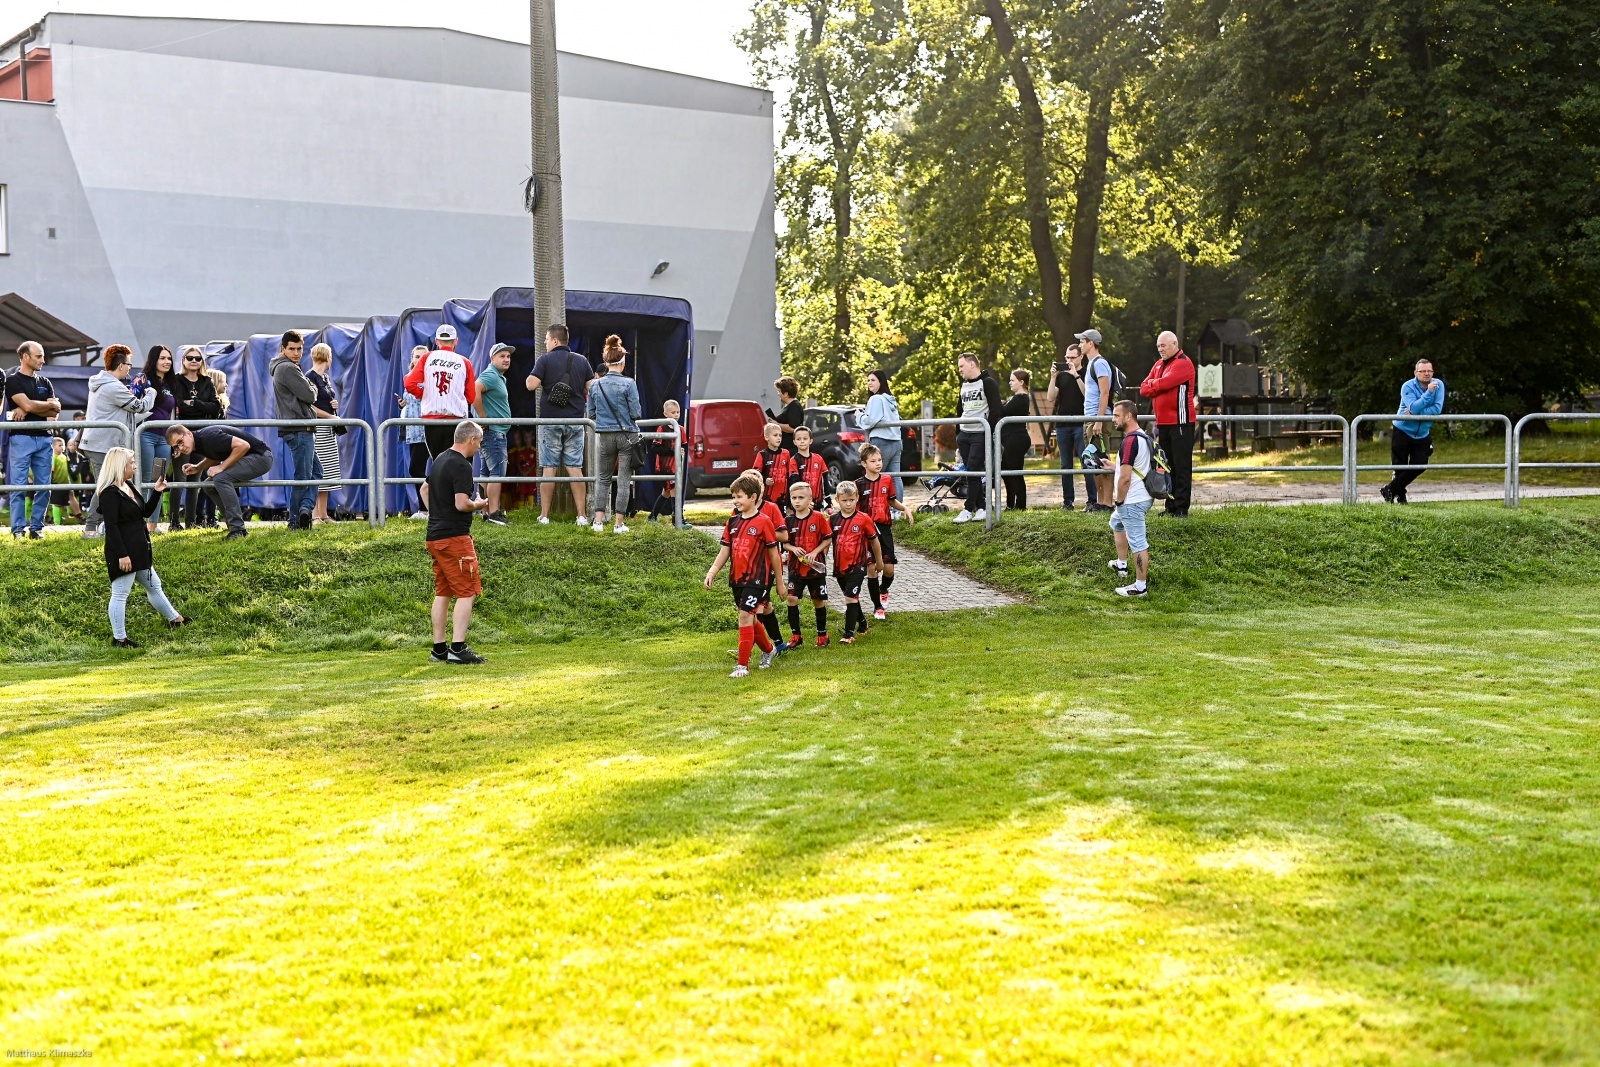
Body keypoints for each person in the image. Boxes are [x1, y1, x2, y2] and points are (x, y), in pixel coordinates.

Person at [92, 445, 188, 647]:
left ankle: (175, 619)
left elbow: (143, 513)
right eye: (131, 463)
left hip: (139, 548)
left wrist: (156, 492)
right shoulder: (110, 493)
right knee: (120, 593)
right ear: (119, 466)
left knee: (154, 586)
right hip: (124, 550)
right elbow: (112, 527)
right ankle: (120, 638)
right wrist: (122, 555)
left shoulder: (128, 486)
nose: (135, 466)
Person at [704, 470, 786, 678]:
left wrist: (780, 582)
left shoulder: (764, 521)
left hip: (758, 579)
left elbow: (774, 554)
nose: (735, 500)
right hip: (737, 579)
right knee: (751, 619)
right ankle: (769, 650)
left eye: (739, 496)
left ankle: (742, 665)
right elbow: (725, 550)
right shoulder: (733, 522)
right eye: (733, 496)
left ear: (753, 497)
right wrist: (712, 571)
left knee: (744, 616)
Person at [425, 419, 490, 665]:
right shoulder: (462, 465)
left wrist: (437, 513)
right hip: (455, 537)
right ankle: (458, 648)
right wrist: (480, 504)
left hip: (435, 535)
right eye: (479, 442)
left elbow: (424, 489)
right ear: (471, 439)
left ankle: (439, 648)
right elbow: (462, 504)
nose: (479, 447)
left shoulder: (441, 458)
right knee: (468, 591)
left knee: (443, 591)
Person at [81, 345, 156, 540]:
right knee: (105, 486)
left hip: (101, 443)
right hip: (103, 445)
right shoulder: (113, 387)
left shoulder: (104, 383)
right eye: (129, 364)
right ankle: (90, 528)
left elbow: (126, 415)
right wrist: (151, 392)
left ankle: (104, 525)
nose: (130, 368)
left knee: (109, 485)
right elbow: (139, 406)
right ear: (121, 365)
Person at [525, 322, 592, 525]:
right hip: (575, 421)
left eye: (546, 339)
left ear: (555, 340)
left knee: (549, 468)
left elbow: (531, 385)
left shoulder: (544, 360)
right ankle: (581, 515)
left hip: (551, 420)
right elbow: (590, 387)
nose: (545, 343)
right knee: (575, 467)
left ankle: (545, 515)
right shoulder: (582, 361)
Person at [168, 423, 274, 540]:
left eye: (180, 442)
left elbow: (243, 446)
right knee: (209, 485)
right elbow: (215, 454)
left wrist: (221, 468)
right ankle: (233, 524)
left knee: (221, 479)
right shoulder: (200, 441)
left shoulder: (208, 437)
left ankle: (238, 529)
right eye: (176, 447)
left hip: (261, 457)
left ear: (188, 434)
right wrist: (198, 467)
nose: (180, 448)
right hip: (252, 457)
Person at [6, 340, 62, 539]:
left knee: (44, 487)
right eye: (39, 356)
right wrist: (44, 405)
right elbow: (38, 407)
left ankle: (36, 528)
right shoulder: (12, 380)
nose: (43, 360)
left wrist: (30, 406)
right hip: (21, 438)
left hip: (45, 439)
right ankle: (18, 530)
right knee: (18, 486)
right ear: (25, 357)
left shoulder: (45, 382)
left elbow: (55, 413)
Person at [586, 335, 642, 533]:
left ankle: (598, 522)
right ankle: (619, 523)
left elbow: (591, 413)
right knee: (624, 479)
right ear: (623, 361)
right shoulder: (629, 383)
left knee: (603, 478)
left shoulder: (596, 385)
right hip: (626, 435)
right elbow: (636, 413)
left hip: (604, 435)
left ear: (606, 361)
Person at [269, 331, 324, 531]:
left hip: (299, 427)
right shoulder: (287, 368)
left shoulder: (286, 367)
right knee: (303, 475)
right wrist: (312, 387)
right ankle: (295, 521)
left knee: (316, 472)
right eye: (291, 348)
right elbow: (310, 395)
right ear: (282, 349)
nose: (296, 352)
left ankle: (305, 510)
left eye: (299, 348)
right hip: (299, 427)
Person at [1139, 331, 1197, 517]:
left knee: (1181, 467)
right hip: (1163, 424)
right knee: (1167, 466)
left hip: (1181, 423)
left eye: (1163, 345)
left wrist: (1156, 384)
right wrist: (1156, 384)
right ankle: (1170, 507)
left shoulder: (1183, 363)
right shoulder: (1158, 365)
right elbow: (1144, 388)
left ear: (1174, 344)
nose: (1160, 349)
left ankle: (1181, 509)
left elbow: (1160, 385)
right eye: (1158, 346)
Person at [856, 443, 913, 620]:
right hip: (866, 531)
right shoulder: (858, 484)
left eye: (879, 460)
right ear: (864, 463)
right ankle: (878, 607)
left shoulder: (887, 480)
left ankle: (884, 589)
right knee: (871, 569)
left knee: (888, 569)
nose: (878, 463)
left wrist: (905, 508)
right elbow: (855, 510)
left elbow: (891, 501)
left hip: (884, 528)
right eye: (873, 461)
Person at [171, 346, 223, 530]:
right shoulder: (176, 381)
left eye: (198, 358)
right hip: (181, 434)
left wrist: (193, 402)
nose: (194, 361)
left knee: (196, 480)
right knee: (180, 479)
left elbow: (215, 407)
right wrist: (202, 406)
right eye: (190, 358)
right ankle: (174, 523)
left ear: (202, 362)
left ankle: (191, 523)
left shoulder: (207, 381)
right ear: (183, 360)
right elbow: (179, 406)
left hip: (201, 435)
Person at [1106, 400, 1155, 597]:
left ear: (1128, 416)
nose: (1113, 419)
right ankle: (1122, 565)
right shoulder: (1143, 437)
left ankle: (1140, 586)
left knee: (1138, 542)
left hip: (1132, 500)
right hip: (1143, 495)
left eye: (1116, 415)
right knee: (1116, 522)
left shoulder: (1129, 442)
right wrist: (1113, 466)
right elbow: (1135, 467)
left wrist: (1119, 501)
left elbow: (1125, 478)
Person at [1381, 359, 1446, 505]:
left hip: (1423, 433)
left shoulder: (1438, 385)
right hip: (1402, 429)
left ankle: (1389, 489)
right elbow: (1414, 407)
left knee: (1420, 464)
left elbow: (1437, 409)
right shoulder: (1407, 386)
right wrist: (1428, 394)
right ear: (1416, 373)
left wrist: (1418, 409)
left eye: (1430, 370)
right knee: (1400, 466)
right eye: (1423, 371)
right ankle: (1400, 498)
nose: (1427, 373)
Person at [130, 345, 179, 533]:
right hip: (145, 435)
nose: (167, 362)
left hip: (164, 438)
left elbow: (172, 413)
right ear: (153, 360)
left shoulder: (170, 383)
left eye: (169, 358)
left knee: (158, 481)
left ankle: (153, 524)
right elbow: (131, 404)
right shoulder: (142, 379)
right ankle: (137, 522)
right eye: (162, 358)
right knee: (142, 481)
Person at [826, 481, 882, 643]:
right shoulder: (833, 520)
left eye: (851, 500)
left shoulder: (864, 519)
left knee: (850, 597)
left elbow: (874, 542)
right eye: (844, 500)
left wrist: (879, 562)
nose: (848, 503)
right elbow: (827, 542)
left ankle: (849, 634)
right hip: (839, 567)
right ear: (837, 500)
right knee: (851, 596)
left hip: (858, 566)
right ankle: (862, 623)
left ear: (857, 498)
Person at [783, 480, 833, 648]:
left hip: (815, 569)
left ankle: (822, 634)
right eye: (794, 498)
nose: (797, 501)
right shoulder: (788, 521)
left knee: (818, 600)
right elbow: (784, 543)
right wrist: (793, 548)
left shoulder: (818, 517)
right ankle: (796, 636)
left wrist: (814, 552)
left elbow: (828, 539)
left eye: (801, 497)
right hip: (795, 569)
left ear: (810, 498)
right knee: (791, 599)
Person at [952, 352, 1001, 524]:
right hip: (964, 434)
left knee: (973, 469)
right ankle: (982, 507)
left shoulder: (987, 383)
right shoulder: (964, 385)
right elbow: (959, 410)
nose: (960, 370)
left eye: (962, 366)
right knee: (970, 472)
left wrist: (988, 430)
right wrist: (958, 433)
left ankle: (967, 509)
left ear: (972, 364)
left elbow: (996, 409)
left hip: (980, 434)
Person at [1071, 329, 1116, 512]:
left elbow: (1105, 392)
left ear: (1091, 343)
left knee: (1103, 460)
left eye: (1082, 342)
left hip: (1098, 419)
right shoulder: (1091, 364)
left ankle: (1107, 503)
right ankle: (1100, 501)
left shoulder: (1100, 363)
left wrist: (1098, 420)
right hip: (1090, 418)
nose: (1080, 345)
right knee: (1094, 461)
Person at [473, 342, 515, 526]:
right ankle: (494, 513)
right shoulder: (490, 374)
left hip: (493, 432)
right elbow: (474, 389)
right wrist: (483, 418)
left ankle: (484, 511)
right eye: (502, 356)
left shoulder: (497, 377)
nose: (506, 359)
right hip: (494, 432)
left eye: (508, 356)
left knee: (486, 472)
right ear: (492, 359)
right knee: (497, 472)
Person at [1044, 343, 1089, 510]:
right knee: (1065, 464)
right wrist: (1053, 377)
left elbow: (1087, 394)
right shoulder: (1061, 376)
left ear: (1080, 357)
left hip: (1081, 424)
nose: (1069, 360)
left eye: (1072, 358)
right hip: (1062, 424)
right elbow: (1050, 398)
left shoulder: (1085, 373)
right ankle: (1067, 502)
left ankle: (1091, 501)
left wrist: (1076, 375)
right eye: (1067, 358)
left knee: (1086, 462)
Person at [305, 343, 343, 525]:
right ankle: (315, 515)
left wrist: (334, 405)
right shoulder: (310, 377)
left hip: (328, 429)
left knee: (327, 470)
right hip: (318, 428)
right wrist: (329, 416)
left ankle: (323, 513)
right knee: (318, 469)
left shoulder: (325, 378)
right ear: (328, 358)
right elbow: (309, 406)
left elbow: (324, 400)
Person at [859, 369, 904, 497]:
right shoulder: (890, 400)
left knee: (874, 475)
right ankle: (897, 509)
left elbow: (870, 420)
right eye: (868, 380)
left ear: (881, 382)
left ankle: (875, 506)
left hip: (881, 440)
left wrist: (859, 416)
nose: (869, 383)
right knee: (895, 477)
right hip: (896, 441)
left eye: (873, 380)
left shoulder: (876, 399)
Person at [398, 345, 430, 518]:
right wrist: (402, 404)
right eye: (416, 356)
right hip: (412, 430)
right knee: (416, 469)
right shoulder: (409, 376)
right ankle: (423, 509)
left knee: (416, 469)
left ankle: (426, 508)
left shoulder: (429, 377)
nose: (418, 359)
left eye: (422, 356)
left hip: (426, 430)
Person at [999, 368, 1033, 511]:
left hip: (1016, 439)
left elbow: (1003, 411)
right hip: (1010, 439)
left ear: (1021, 382)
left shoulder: (1021, 397)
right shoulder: (1015, 398)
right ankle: (1010, 503)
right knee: (1006, 470)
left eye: (1013, 380)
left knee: (1015, 472)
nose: (1010, 383)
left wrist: (999, 404)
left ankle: (1020, 505)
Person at [647, 398, 681, 523]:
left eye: (678, 412)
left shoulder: (680, 429)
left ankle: (653, 516)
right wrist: (672, 451)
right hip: (664, 466)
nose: (676, 415)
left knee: (666, 492)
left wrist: (681, 451)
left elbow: (683, 445)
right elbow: (656, 448)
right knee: (673, 489)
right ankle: (677, 519)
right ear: (665, 414)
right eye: (673, 412)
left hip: (675, 466)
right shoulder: (661, 428)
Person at [754, 422, 793, 514]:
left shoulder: (786, 453)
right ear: (767, 437)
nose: (778, 438)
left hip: (783, 497)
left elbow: (789, 473)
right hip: (767, 497)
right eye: (775, 435)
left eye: (780, 435)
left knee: (782, 522)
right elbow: (755, 474)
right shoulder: (762, 455)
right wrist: (765, 480)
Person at [790, 424, 828, 505]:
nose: (802, 441)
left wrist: (828, 501)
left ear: (810, 441)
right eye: (799, 439)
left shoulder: (819, 458)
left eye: (805, 438)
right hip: (803, 504)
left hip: (818, 502)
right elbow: (795, 484)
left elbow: (825, 480)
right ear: (794, 442)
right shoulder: (793, 460)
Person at [765, 376, 804, 453]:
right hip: (785, 447)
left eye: (779, 391)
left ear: (786, 394)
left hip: (791, 449)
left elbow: (793, 428)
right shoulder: (788, 406)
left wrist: (777, 424)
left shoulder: (794, 407)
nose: (778, 394)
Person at [64, 436, 92, 520]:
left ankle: (77, 512)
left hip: (78, 479)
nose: (72, 447)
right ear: (67, 446)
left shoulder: (80, 456)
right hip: (69, 479)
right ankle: (70, 513)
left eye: (74, 445)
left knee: (77, 496)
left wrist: (76, 473)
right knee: (70, 495)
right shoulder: (65, 456)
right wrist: (71, 474)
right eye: (70, 445)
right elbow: (67, 467)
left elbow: (81, 466)